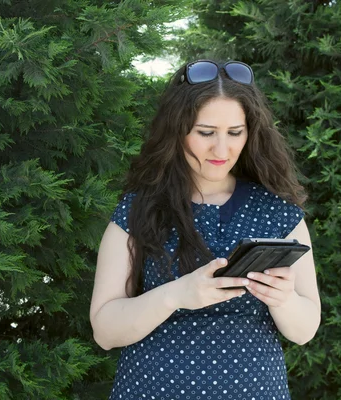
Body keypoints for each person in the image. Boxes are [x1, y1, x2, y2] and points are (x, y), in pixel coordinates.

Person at [89, 60, 321, 400]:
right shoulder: (139, 209)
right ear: (177, 129)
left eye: (235, 133)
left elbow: (304, 330)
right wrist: (176, 295)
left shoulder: (279, 212)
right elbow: (105, 330)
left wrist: (283, 299)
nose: (222, 150)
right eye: (206, 133)